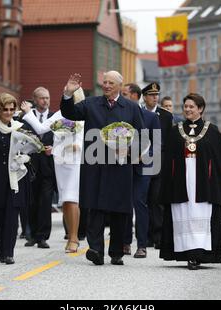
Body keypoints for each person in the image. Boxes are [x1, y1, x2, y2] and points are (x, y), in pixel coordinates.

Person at [61, 71, 144, 266]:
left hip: (119, 165)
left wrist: (130, 151)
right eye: (104, 82)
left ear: (119, 86)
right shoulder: (90, 104)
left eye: (110, 83)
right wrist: (67, 95)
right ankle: (96, 250)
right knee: (95, 209)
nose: (106, 85)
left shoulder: (131, 107)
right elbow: (69, 113)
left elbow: (141, 135)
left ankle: (116, 252)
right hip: (95, 164)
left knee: (118, 211)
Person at [159, 93, 221, 270]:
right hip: (180, 183)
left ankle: (199, 254)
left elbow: (220, 162)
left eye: (191, 107)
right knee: (182, 214)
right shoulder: (175, 131)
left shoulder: (212, 131)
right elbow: (168, 161)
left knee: (201, 215)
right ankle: (185, 253)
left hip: (204, 184)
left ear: (200, 109)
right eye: (185, 107)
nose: (188, 110)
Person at [20, 87, 85, 253]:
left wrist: (58, 149)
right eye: (64, 95)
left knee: (72, 198)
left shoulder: (82, 114)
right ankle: (71, 235)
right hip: (60, 162)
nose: (65, 98)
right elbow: (41, 129)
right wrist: (28, 113)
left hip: (74, 161)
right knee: (65, 200)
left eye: (69, 96)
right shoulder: (60, 114)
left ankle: (74, 237)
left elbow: (79, 142)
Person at [0, 93, 39, 264]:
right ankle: (2, 250)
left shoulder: (20, 127)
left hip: (17, 175)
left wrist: (26, 158)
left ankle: (9, 253)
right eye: (5, 109)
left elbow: (33, 148)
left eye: (11, 109)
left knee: (12, 216)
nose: (8, 112)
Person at [122, 83, 161, 258]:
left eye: (125, 94)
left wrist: (142, 155)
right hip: (121, 165)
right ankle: (124, 242)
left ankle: (142, 245)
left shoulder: (150, 117)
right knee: (123, 205)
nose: (122, 97)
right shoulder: (119, 115)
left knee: (140, 204)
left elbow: (157, 144)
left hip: (142, 166)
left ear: (135, 96)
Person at [23, 87, 56, 249]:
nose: (45, 101)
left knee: (45, 201)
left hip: (49, 165)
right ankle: (31, 235)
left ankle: (43, 236)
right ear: (34, 99)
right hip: (31, 163)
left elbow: (62, 138)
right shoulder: (26, 118)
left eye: (47, 98)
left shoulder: (55, 117)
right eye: (42, 98)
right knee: (32, 200)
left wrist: (54, 148)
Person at [141, 82, 173, 249]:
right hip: (142, 162)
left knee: (157, 200)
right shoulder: (138, 113)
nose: (155, 98)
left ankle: (158, 236)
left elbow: (168, 142)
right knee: (144, 200)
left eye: (157, 95)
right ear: (144, 97)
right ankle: (146, 236)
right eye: (151, 95)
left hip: (160, 163)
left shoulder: (166, 116)